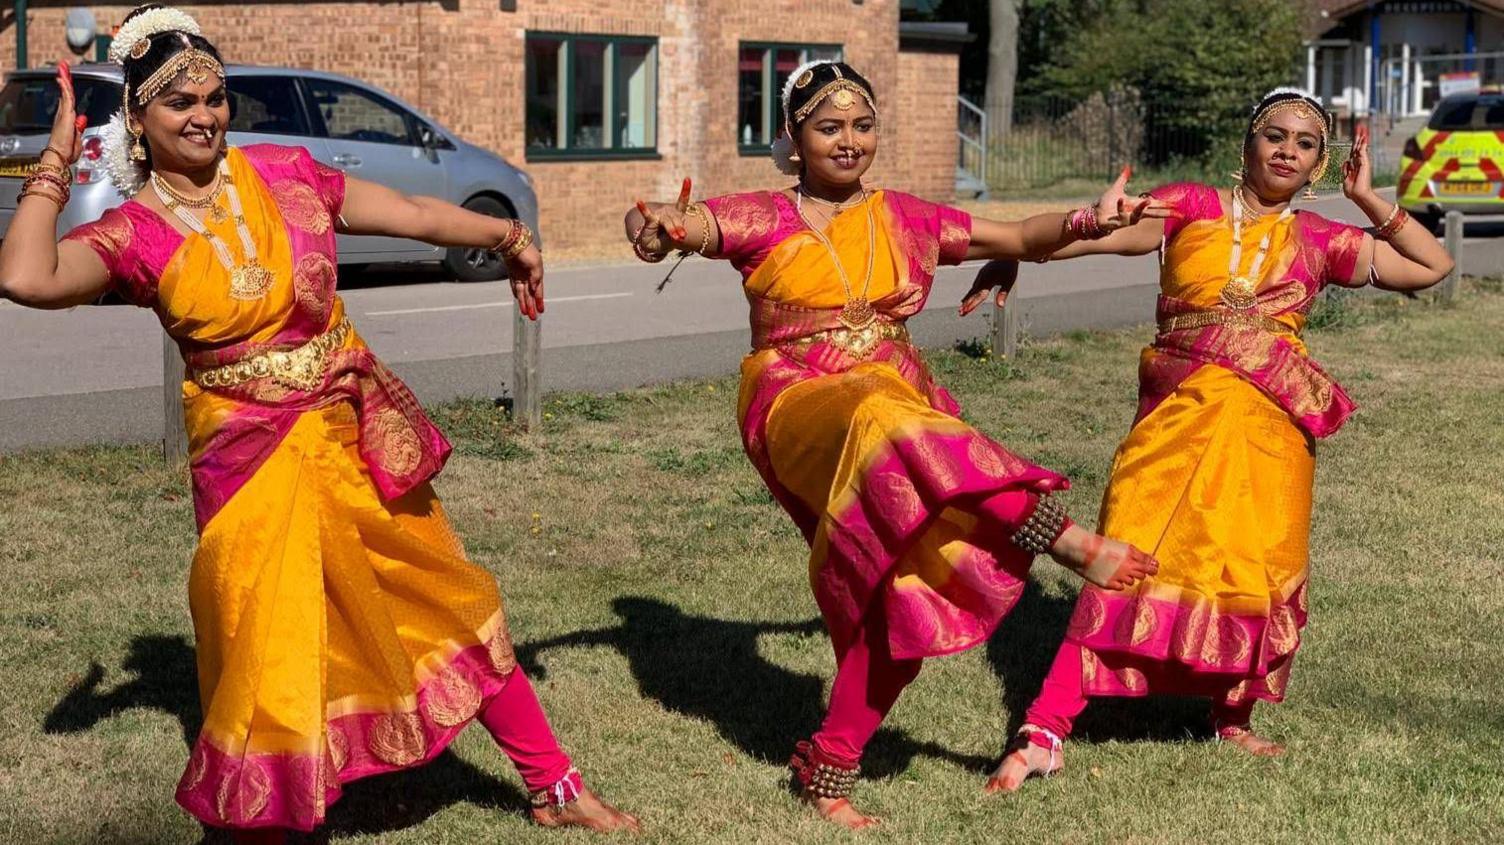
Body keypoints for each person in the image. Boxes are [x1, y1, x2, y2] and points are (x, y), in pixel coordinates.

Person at [0, 6, 639, 840]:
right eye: (178, 102)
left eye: (215, 96)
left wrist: (509, 233)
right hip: (246, 466)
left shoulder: (284, 173)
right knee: (272, 643)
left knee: (446, 598)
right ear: (137, 118)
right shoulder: (136, 231)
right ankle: (270, 816)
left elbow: (408, 211)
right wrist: (54, 154)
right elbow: (27, 276)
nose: (204, 116)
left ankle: (556, 785)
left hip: (347, 440)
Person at [623, 60, 1161, 829]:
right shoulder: (760, 216)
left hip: (905, 408)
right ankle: (1064, 539)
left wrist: (1087, 221)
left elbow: (1016, 235)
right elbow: (675, 227)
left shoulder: (907, 215)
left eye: (862, 125)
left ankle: (828, 770)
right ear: (793, 139)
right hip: (798, 402)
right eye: (828, 127)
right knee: (880, 411)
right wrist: (654, 230)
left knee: (902, 594)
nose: (848, 141)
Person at [975, 88, 1455, 792]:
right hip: (1175, 424)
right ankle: (1046, 728)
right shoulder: (1193, 208)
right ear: (1247, 145)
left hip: (1270, 438)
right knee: (1130, 555)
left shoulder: (1319, 241)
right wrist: (1024, 253)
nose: (1288, 150)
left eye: (1305, 142)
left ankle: (1231, 714)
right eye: (1274, 135)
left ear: (1320, 162)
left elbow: (1431, 266)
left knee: (1253, 567)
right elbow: (1105, 232)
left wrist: (1369, 201)